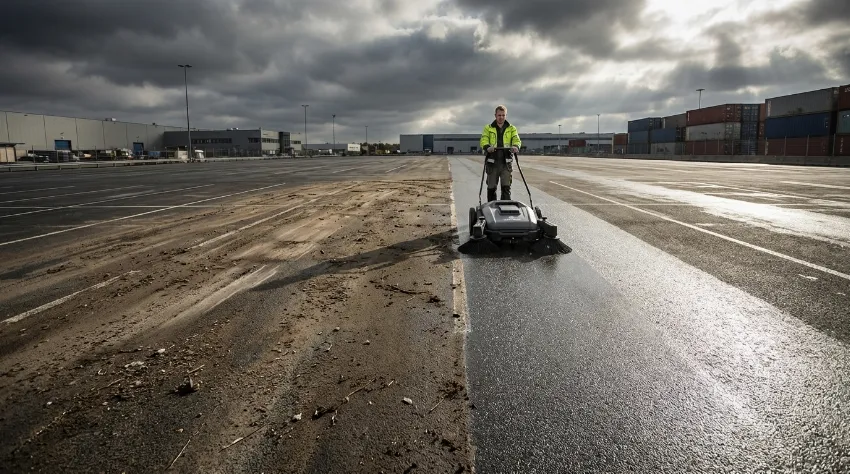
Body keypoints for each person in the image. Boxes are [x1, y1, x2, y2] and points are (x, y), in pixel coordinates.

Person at [479, 105, 521, 201]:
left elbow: (516, 139)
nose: (501, 117)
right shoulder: (488, 128)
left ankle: (505, 210)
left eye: (503, 115)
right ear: (495, 115)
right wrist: (487, 147)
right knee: (491, 188)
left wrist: (515, 146)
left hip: (506, 163)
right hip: (492, 163)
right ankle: (492, 210)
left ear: (506, 116)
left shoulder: (512, 128)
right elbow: (484, 139)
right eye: (499, 115)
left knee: (506, 187)